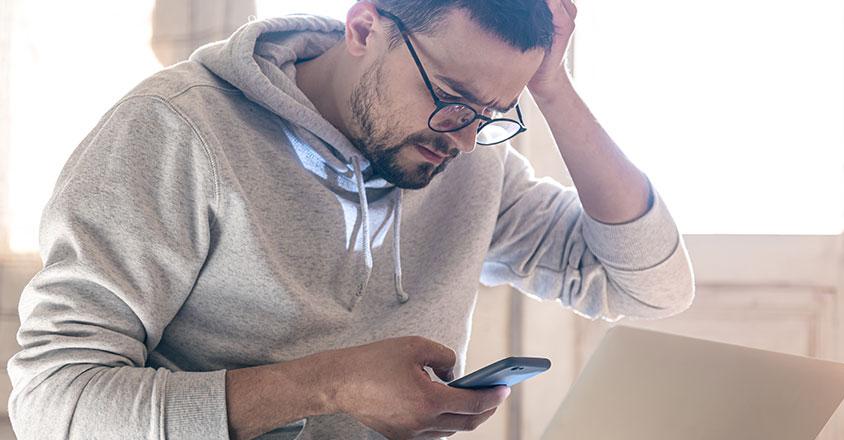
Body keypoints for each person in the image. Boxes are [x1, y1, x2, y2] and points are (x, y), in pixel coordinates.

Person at [7, 0, 695, 439]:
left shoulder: (464, 159)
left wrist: (552, 88)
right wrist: (328, 384)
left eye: (492, 113)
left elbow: (648, 286)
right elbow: (52, 406)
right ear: (365, 27)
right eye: (452, 98)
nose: (460, 138)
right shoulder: (176, 131)